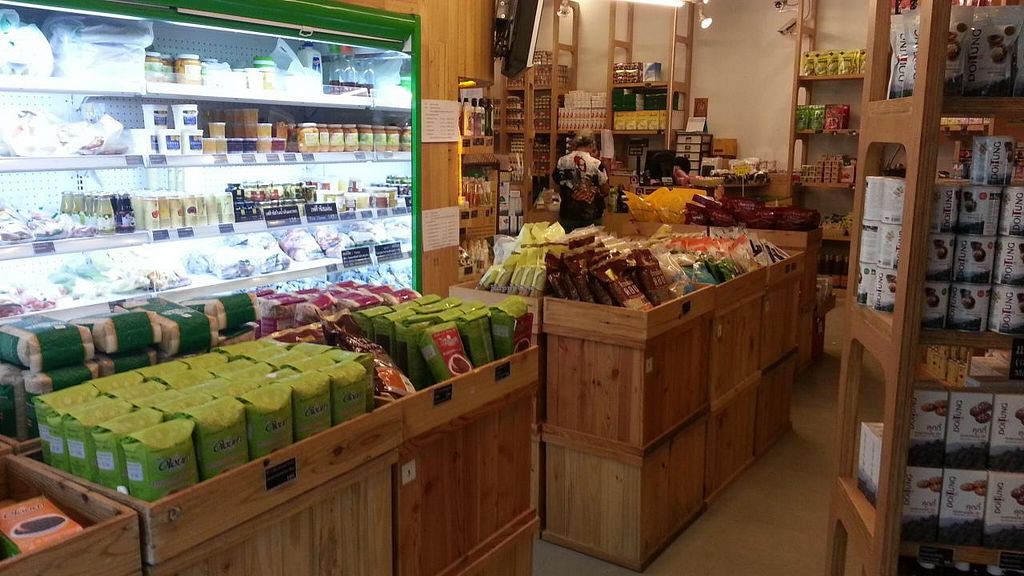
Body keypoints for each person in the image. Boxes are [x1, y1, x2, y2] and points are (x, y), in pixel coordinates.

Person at [552, 133, 609, 232]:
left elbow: (556, 186)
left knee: (567, 241)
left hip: (568, 214)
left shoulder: (562, 161)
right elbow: (605, 190)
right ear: (591, 145)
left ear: (574, 145)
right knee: (591, 242)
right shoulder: (596, 163)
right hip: (592, 215)